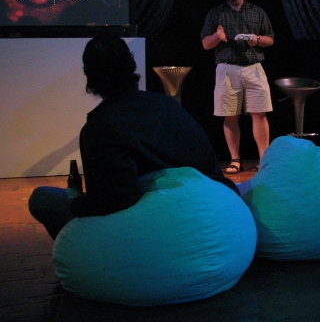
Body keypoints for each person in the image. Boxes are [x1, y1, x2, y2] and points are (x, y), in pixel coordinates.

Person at [28, 34, 239, 240]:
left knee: (41, 198)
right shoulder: (167, 105)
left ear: (89, 75)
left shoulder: (100, 125)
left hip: (160, 227)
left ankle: (80, 248)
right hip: (221, 216)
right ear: (131, 66)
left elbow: (117, 200)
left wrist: (76, 203)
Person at [201, 0, 274, 174]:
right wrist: (217, 36)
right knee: (230, 116)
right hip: (227, 68)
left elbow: (270, 39)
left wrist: (256, 39)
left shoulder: (257, 12)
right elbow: (206, 44)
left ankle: (264, 159)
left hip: (253, 68)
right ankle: (235, 159)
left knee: (259, 114)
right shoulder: (216, 13)